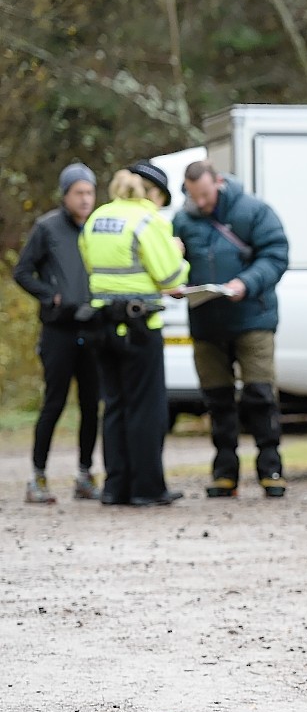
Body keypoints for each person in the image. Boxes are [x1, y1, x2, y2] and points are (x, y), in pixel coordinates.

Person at [172, 161, 290, 498]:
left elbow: (277, 255)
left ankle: (271, 469)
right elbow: (170, 263)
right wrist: (177, 280)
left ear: (219, 183)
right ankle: (225, 472)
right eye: (196, 197)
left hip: (253, 318)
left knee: (260, 395)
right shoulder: (182, 220)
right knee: (217, 399)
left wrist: (245, 283)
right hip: (207, 322)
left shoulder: (254, 211)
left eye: (206, 196)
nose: (203, 203)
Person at [80, 161, 189, 506]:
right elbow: (171, 278)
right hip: (140, 325)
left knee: (113, 405)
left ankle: (116, 487)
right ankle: (147, 488)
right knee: (146, 407)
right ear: (149, 192)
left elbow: (89, 264)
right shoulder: (149, 220)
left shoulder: (96, 218)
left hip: (101, 322)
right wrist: (179, 255)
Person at [13, 163, 103, 504]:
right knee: (54, 403)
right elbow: (23, 272)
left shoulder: (98, 227)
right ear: (65, 195)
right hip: (58, 330)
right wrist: (50, 295)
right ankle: (38, 477)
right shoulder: (47, 228)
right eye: (78, 193)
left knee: (91, 405)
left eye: (89, 192)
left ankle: (84, 474)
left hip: (92, 327)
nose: (85, 199)